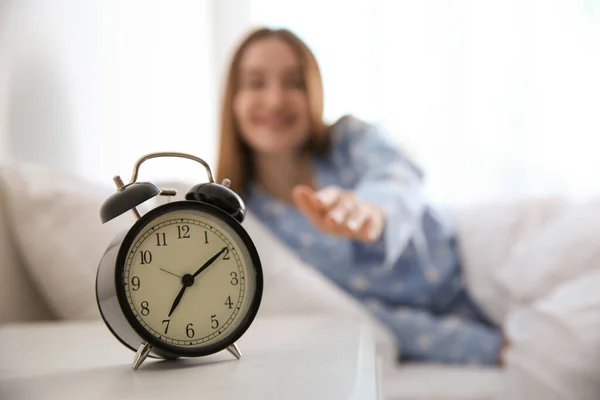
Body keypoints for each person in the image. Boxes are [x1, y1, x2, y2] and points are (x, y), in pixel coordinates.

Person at [216, 27, 505, 365]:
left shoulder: (348, 139)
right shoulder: (250, 223)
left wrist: (371, 209)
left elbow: (398, 174)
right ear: (233, 100)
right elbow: (354, 311)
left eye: (294, 82)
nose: (276, 99)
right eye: (256, 83)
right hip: (439, 329)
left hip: (476, 271)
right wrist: (484, 347)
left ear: (313, 92)